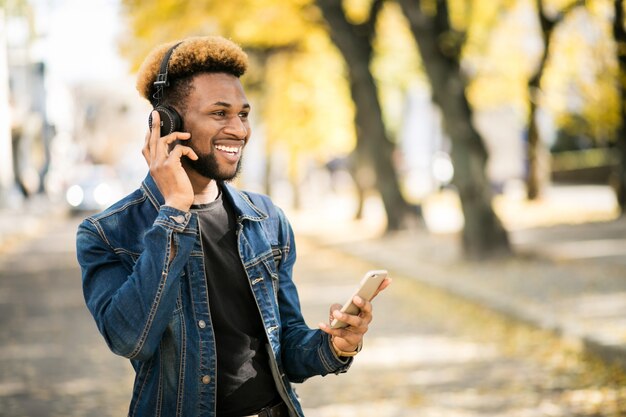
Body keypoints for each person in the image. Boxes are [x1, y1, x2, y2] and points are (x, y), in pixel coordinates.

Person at [76, 35, 390, 417]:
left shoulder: (266, 219)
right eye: (220, 113)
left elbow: (285, 347)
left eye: (242, 114)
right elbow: (130, 339)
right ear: (166, 124)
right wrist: (175, 209)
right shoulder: (108, 233)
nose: (239, 130)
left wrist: (336, 345)